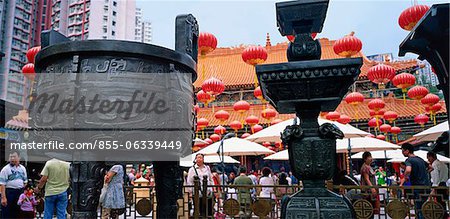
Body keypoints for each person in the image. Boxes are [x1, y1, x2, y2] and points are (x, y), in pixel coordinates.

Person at [399, 143, 430, 219]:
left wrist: (405, 177)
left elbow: (408, 170)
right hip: (427, 186)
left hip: (417, 187)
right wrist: (423, 173)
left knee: (419, 209)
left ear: (407, 151)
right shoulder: (420, 159)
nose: (402, 153)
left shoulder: (409, 160)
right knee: (423, 208)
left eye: (403, 151)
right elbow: (431, 167)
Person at [0, 151, 28, 218]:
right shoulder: (5, 169)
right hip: (9, 192)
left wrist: (21, 191)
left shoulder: (22, 168)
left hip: (20, 192)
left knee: (18, 212)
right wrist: (3, 198)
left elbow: (25, 181)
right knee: (7, 212)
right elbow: (2, 184)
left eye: (14, 157)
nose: (12, 158)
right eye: (10, 157)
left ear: (19, 157)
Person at [426, 151, 449, 218]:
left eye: (428, 158)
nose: (428, 160)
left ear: (431, 157)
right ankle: (444, 215)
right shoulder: (443, 164)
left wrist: (433, 189)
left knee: (439, 203)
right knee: (443, 202)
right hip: (444, 184)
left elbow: (436, 178)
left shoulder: (434, 165)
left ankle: (441, 216)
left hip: (439, 185)